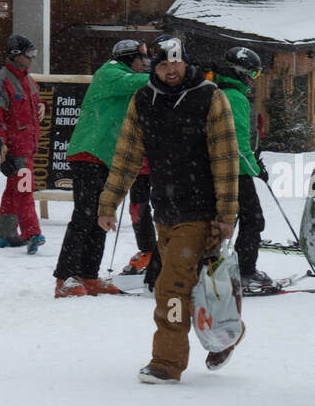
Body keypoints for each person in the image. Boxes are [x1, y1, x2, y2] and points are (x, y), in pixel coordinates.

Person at [96, 35, 240, 383]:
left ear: (186, 62)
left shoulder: (210, 97)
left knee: (171, 285)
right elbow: (127, 155)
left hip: (200, 208)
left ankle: (166, 361)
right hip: (164, 209)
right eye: (162, 63)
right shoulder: (144, 99)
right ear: (153, 66)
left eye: (176, 62)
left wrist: (226, 215)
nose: (170, 70)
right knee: (201, 284)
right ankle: (225, 331)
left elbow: (225, 158)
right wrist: (108, 203)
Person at [52, 39, 150, 297]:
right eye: (142, 60)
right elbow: (138, 83)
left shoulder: (126, 79)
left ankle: (88, 275)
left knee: (100, 218)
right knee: (84, 216)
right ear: (129, 58)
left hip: (106, 157)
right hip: (88, 153)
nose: (145, 66)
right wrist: (166, 74)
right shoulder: (110, 72)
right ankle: (65, 277)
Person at [212, 46, 275, 292]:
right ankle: (244, 271)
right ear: (239, 71)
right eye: (253, 74)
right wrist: (255, 168)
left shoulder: (218, 92)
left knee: (226, 219)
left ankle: (218, 268)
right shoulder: (234, 97)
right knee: (253, 219)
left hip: (219, 169)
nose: (253, 80)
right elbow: (236, 141)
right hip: (235, 171)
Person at [0, 34, 46, 254]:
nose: (32, 58)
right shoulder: (0, 82)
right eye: (29, 54)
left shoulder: (27, 79)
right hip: (15, 147)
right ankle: (32, 233)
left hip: (28, 145)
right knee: (24, 189)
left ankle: (5, 234)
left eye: (34, 54)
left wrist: (42, 105)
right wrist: (0, 142)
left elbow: (35, 100)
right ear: (16, 56)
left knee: (14, 190)